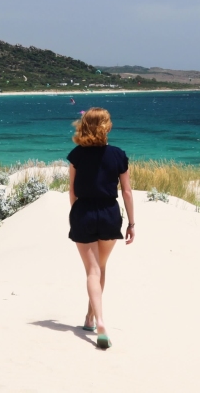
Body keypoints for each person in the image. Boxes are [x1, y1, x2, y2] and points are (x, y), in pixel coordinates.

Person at [66, 107, 135, 350]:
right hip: (109, 214)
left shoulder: (76, 155)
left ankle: (98, 319)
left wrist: (76, 215)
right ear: (106, 126)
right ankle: (90, 319)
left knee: (92, 271)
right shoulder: (118, 155)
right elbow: (126, 191)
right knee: (100, 268)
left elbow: (72, 192)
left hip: (84, 213)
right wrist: (132, 223)